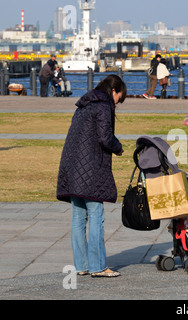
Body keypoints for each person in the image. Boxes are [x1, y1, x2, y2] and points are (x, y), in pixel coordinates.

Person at [56, 75, 127, 278]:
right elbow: (105, 138)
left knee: (78, 217)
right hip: (91, 168)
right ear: (113, 91)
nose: (117, 104)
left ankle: (82, 265)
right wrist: (118, 147)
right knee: (96, 215)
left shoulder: (85, 104)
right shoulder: (103, 105)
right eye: (119, 99)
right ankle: (98, 267)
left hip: (71, 166)